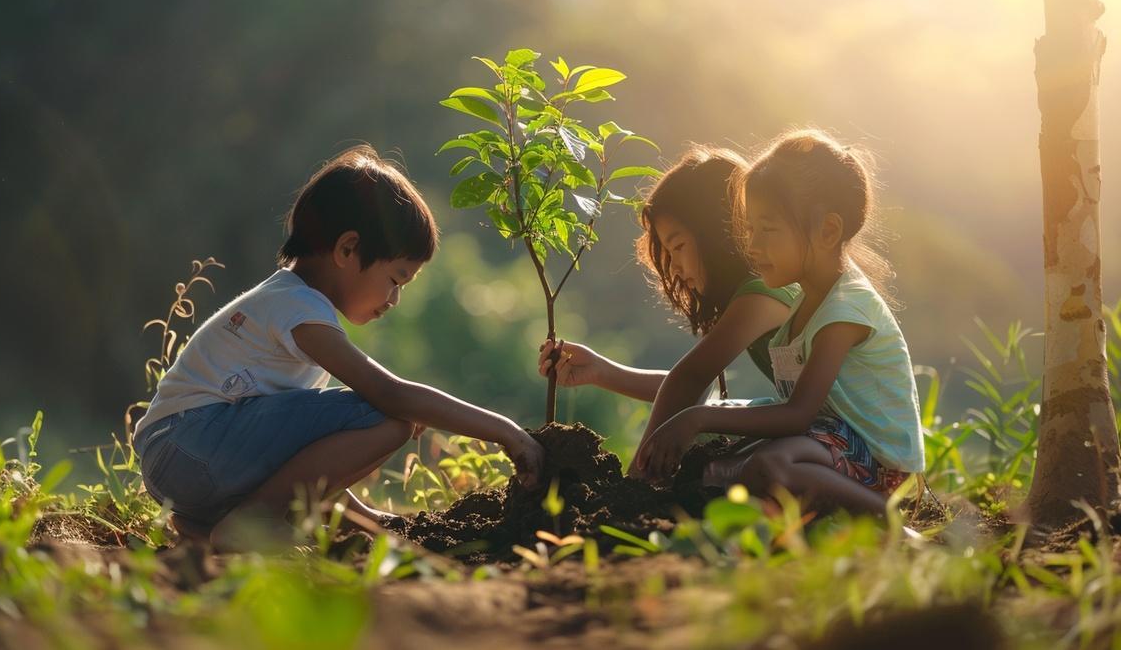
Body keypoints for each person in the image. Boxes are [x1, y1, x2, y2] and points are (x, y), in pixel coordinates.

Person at [132, 145, 544, 548]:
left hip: (178, 456)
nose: (394, 299)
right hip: (192, 445)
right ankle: (250, 525)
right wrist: (506, 433)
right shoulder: (299, 307)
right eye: (395, 280)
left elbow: (306, 461)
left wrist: (368, 519)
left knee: (370, 415)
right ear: (348, 249)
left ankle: (209, 529)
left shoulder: (290, 300)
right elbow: (391, 394)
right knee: (389, 415)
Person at [635, 130, 925, 515]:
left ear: (827, 231)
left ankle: (889, 522)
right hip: (829, 443)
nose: (752, 246)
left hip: (884, 473)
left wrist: (699, 416)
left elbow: (798, 414)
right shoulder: (807, 301)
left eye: (767, 229)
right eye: (750, 229)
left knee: (771, 465)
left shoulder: (845, 309)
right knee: (716, 460)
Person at [534, 146, 799, 477]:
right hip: (815, 432)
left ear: (718, 233)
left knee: (708, 456)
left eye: (678, 247)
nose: (673, 268)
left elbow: (690, 381)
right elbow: (691, 391)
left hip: (842, 444)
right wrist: (601, 371)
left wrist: (632, 485)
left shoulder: (763, 294)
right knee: (701, 433)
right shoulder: (753, 292)